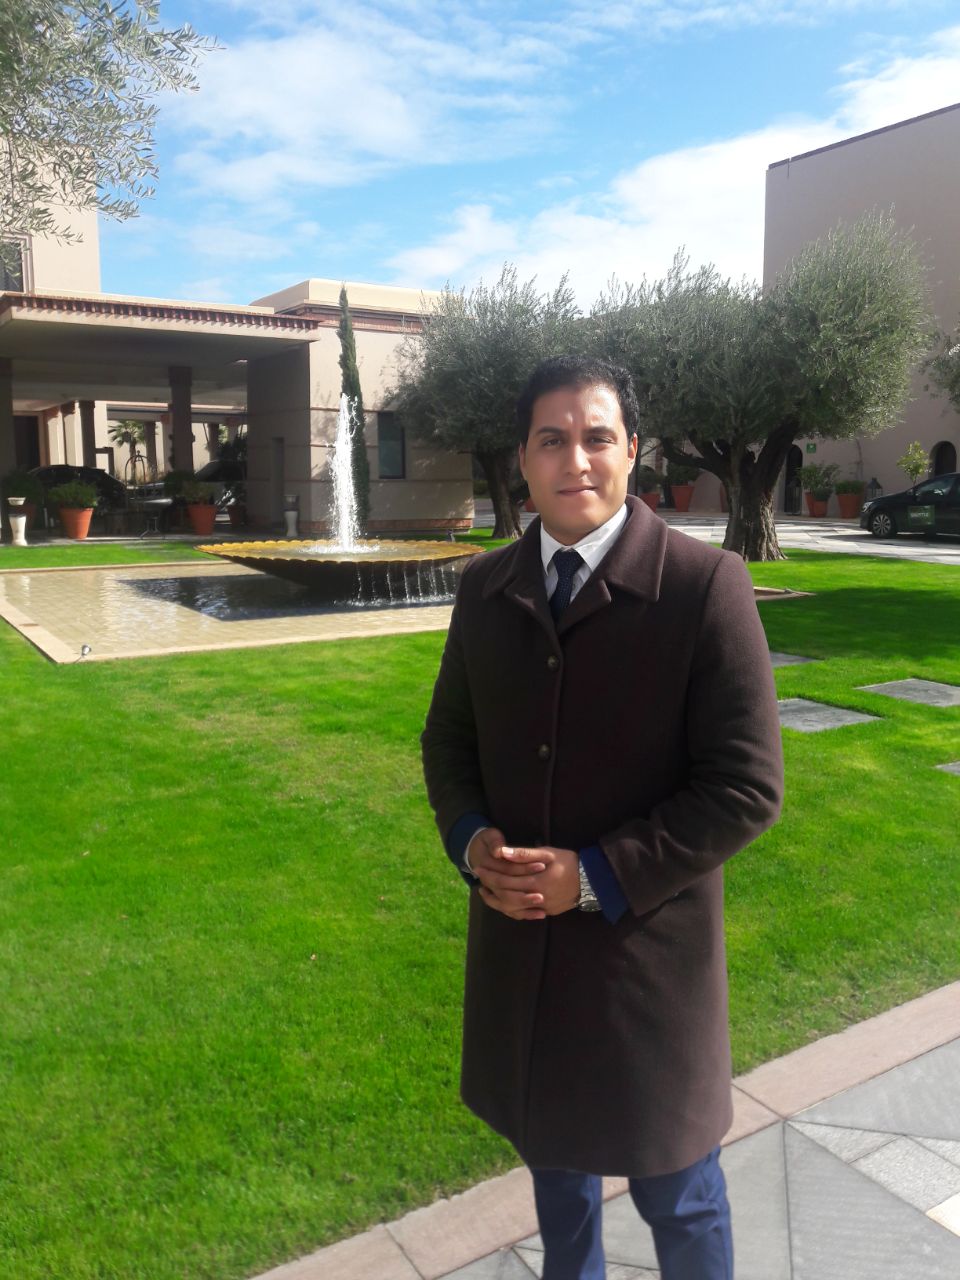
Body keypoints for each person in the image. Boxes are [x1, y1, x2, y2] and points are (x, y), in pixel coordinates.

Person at [421, 355, 783, 1280]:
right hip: (526, 962)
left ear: (633, 451)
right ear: (522, 459)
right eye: (551, 440)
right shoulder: (485, 589)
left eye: (596, 437)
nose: (574, 460)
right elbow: (449, 743)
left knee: (679, 1195)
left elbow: (745, 786)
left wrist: (592, 876)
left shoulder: (705, 586)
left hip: (645, 970)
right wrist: (471, 841)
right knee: (558, 1180)